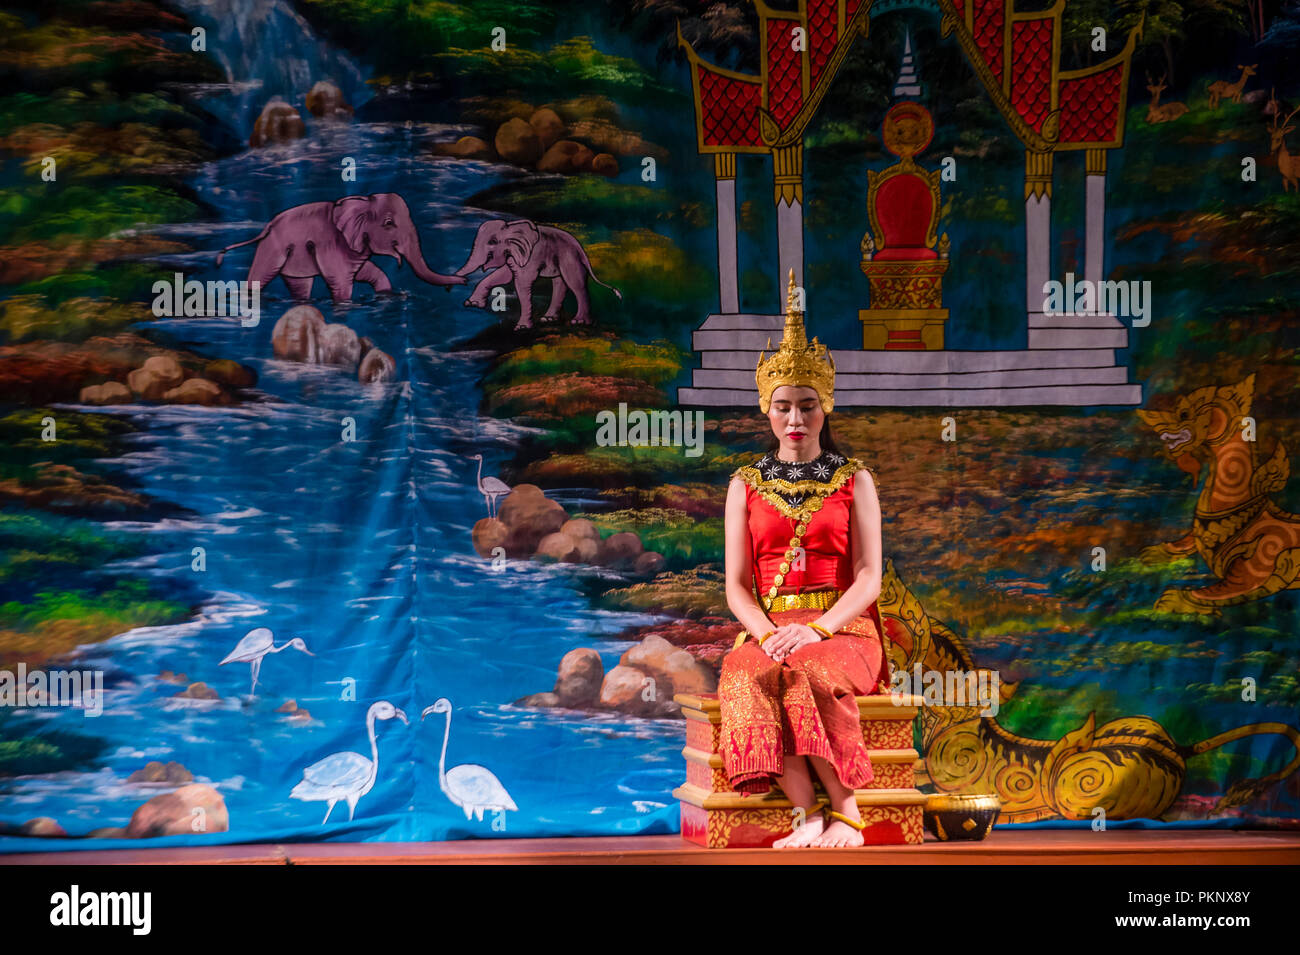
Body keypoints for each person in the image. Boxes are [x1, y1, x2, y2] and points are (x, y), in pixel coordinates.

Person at [718, 271, 890, 849]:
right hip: (770, 629)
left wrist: (817, 629)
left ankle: (847, 812)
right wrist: (766, 635)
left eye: (807, 407)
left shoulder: (854, 478)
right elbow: (737, 586)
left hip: (842, 628)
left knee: (809, 671)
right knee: (748, 673)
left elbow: (870, 576)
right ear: (766, 410)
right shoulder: (745, 483)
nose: (795, 420)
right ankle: (804, 815)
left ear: (826, 407)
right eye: (784, 407)